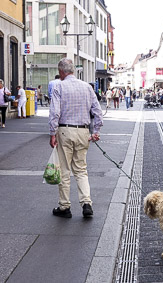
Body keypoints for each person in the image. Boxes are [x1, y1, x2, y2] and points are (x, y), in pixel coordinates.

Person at [49, 58, 103, 218]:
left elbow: (54, 112)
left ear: (61, 72)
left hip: (65, 131)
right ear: (73, 70)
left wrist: (53, 133)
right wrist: (96, 131)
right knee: (81, 170)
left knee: (65, 170)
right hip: (83, 132)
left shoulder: (59, 86)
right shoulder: (87, 87)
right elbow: (97, 111)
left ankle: (64, 206)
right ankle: (86, 203)